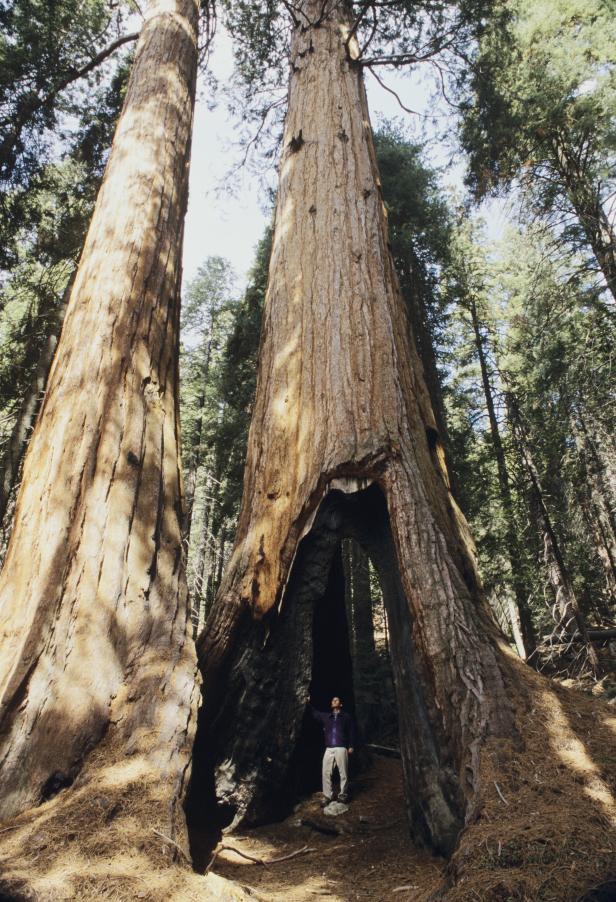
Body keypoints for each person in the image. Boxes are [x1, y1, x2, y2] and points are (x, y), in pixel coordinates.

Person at [306, 696, 356, 806]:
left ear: (341, 704)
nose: (334, 701)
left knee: (343, 773)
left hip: (341, 747)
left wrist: (351, 745)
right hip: (329, 748)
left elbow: (351, 731)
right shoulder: (326, 717)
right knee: (325, 772)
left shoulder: (346, 717)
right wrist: (308, 703)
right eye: (333, 700)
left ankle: (342, 795)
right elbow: (315, 714)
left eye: (337, 700)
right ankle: (327, 796)